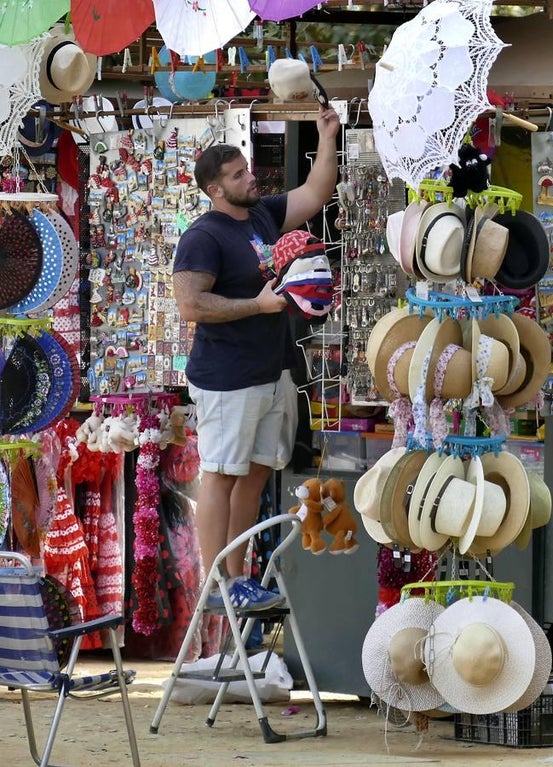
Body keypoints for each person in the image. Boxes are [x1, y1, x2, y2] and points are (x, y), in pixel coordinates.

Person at [173, 107, 340, 610]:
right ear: (215, 189)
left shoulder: (262, 214)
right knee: (221, 474)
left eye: (247, 169)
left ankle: (237, 577)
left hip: (271, 371)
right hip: (227, 378)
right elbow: (191, 305)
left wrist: (327, 135)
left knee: (255, 475)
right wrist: (257, 305)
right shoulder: (203, 236)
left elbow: (316, 192)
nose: (250, 178)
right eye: (237, 175)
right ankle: (215, 585)